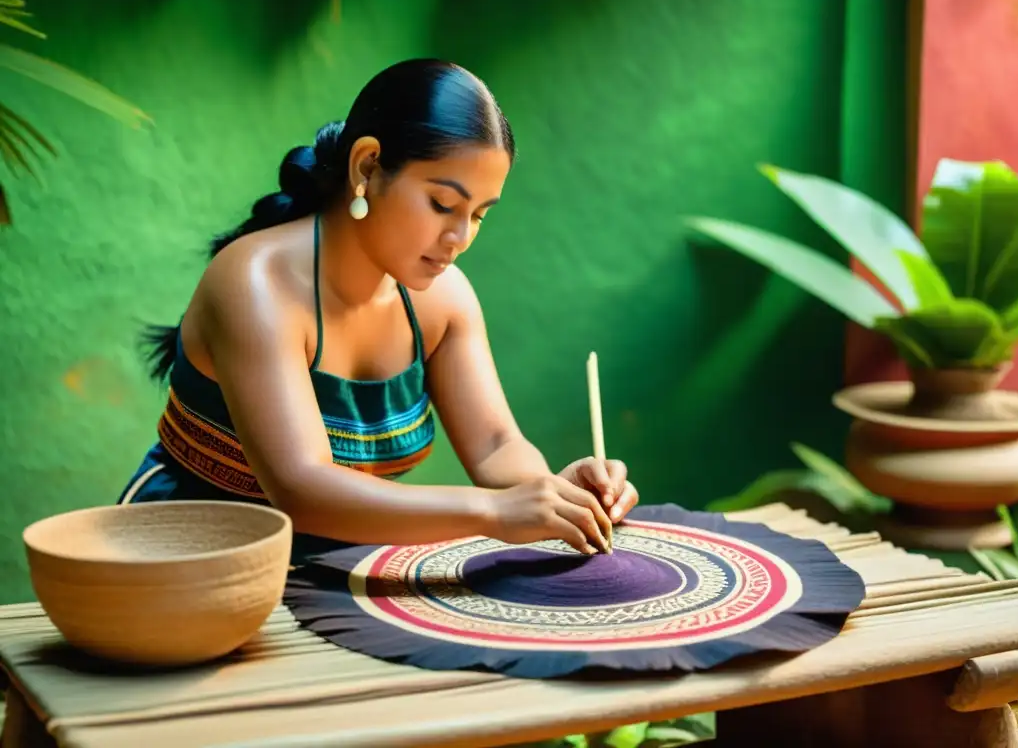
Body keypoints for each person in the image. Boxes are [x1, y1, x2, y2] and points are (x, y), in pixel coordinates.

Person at [120, 58, 639, 563]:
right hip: (187, 556)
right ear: (367, 166)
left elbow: (496, 446)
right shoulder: (257, 285)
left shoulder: (444, 300)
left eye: (478, 214)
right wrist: (493, 510)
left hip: (344, 565)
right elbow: (302, 488)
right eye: (442, 204)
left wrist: (555, 492)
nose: (459, 238)